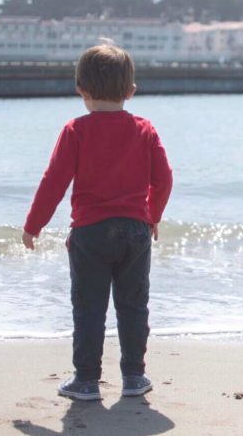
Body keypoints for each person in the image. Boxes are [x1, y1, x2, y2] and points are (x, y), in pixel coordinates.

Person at [22, 44, 173, 401]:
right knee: (133, 305)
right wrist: (152, 214)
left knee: (89, 306)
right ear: (131, 91)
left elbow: (54, 181)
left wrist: (34, 225)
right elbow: (164, 179)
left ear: (81, 90)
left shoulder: (76, 130)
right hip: (135, 230)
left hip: (90, 233)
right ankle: (135, 376)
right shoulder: (144, 129)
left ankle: (87, 380)